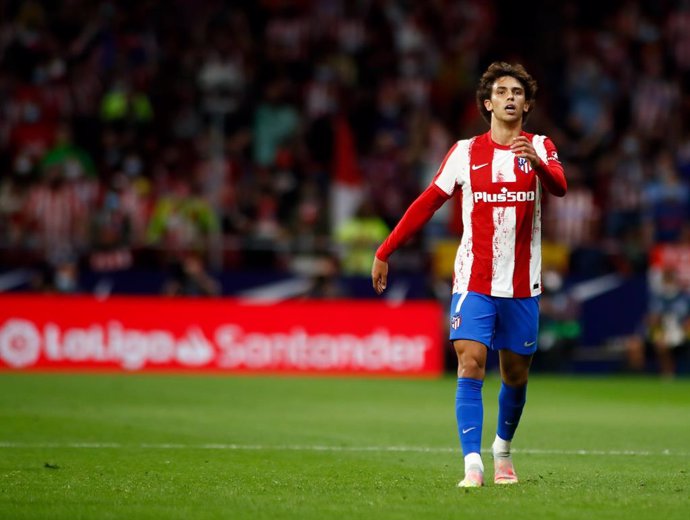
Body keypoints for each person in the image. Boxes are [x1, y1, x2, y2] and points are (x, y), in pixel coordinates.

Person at [371, 62, 567, 488]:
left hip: (521, 285)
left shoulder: (541, 146)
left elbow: (560, 187)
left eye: (517, 91)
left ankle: (503, 450)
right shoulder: (464, 152)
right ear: (488, 102)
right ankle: (472, 465)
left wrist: (538, 165)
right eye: (502, 91)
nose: (510, 97)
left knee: (515, 374)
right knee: (471, 362)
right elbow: (427, 203)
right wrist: (385, 249)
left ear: (527, 104)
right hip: (473, 282)